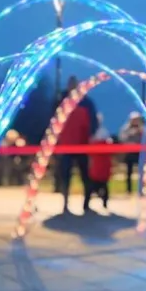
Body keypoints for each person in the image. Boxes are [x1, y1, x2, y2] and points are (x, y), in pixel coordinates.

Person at [56, 77, 94, 213]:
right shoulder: (62, 102)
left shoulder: (83, 103)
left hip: (78, 145)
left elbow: (90, 124)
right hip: (69, 145)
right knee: (67, 175)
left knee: (83, 175)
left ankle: (85, 203)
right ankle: (68, 203)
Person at [119, 112, 146, 194]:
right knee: (129, 172)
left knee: (141, 171)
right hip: (129, 153)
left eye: (137, 119)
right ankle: (129, 190)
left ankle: (141, 189)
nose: (135, 121)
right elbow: (122, 138)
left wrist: (141, 131)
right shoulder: (126, 128)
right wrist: (132, 133)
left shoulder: (142, 129)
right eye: (134, 120)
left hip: (139, 153)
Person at [88, 131, 114, 209]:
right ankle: (105, 203)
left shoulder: (94, 145)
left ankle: (86, 204)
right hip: (105, 170)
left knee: (91, 188)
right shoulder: (108, 145)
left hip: (96, 170)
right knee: (105, 187)